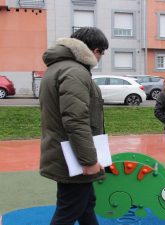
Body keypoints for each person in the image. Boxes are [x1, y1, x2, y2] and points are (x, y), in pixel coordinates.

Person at [39, 27, 109, 225]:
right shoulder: (74, 71)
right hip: (73, 156)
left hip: (68, 152)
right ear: (94, 50)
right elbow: (76, 119)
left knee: (85, 204)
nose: (100, 58)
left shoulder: (61, 68)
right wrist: (88, 160)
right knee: (70, 210)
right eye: (102, 53)